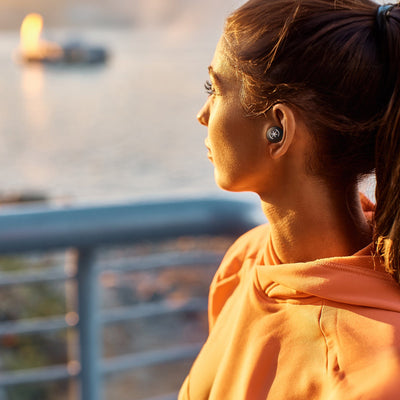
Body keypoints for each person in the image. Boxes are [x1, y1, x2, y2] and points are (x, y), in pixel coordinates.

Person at [178, 0, 400, 398]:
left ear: (278, 128)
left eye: (216, 88)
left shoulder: (369, 378)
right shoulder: (247, 260)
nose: (203, 114)